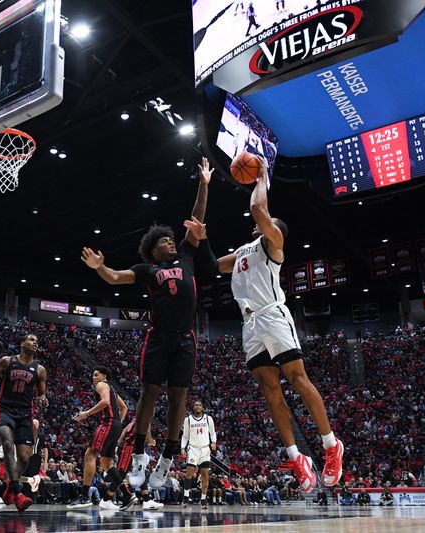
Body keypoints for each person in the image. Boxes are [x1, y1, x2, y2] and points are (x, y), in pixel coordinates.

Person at [81, 158, 217, 491]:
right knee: (149, 394)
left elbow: (195, 220)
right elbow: (114, 277)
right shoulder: (146, 269)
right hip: (158, 338)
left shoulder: (185, 255)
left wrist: (204, 184)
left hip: (185, 338)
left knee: (179, 398)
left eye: (172, 239)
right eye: (164, 242)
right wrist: (100, 266)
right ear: (153, 250)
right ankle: (139, 454)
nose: (171, 242)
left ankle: (168, 459)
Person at [215, 155, 343, 493]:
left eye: (268, 221)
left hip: (273, 315)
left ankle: (331, 445)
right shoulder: (244, 250)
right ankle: (295, 456)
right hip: (250, 325)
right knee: (271, 392)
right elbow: (214, 265)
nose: (260, 221)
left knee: (298, 379)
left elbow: (259, 211)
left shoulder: (272, 244)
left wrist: (261, 177)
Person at [0, 333, 48, 512]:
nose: (35, 343)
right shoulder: (7, 361)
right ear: (22, 343)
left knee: (25, 457)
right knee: (7, 443)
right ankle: (18, 493)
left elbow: (41, 393)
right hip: (5, 411)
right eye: (31, 340)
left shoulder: (40, 369)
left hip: (25, 415)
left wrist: (43, 399)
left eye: (37, 341)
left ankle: (9, 487)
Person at [68, 366, 128, 509]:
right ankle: (127, 495)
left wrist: (87, 413)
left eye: (96, 375)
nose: (93, 378)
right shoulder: (112, 389)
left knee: (90, 455)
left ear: (104, 376)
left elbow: (106, 402)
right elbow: (124, 407)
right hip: (116, 425)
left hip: (108, 423)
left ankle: (84, 497)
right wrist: (118, 423)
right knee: (107, 464)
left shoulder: (102, 385)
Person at [180, 400, 217, 509]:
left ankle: (203, 499)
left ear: (202, 408)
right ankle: (186, 496)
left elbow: (213, 432)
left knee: (205, 475)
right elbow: (185, 436)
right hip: (193, 449)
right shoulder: (188, 420)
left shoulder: (208, 418)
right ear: (193, 407)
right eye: (196, 405)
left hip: (205, 449)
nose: (197, 406)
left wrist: (213, 442)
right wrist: (183, 447)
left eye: (199, 405)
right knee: (189, 473)